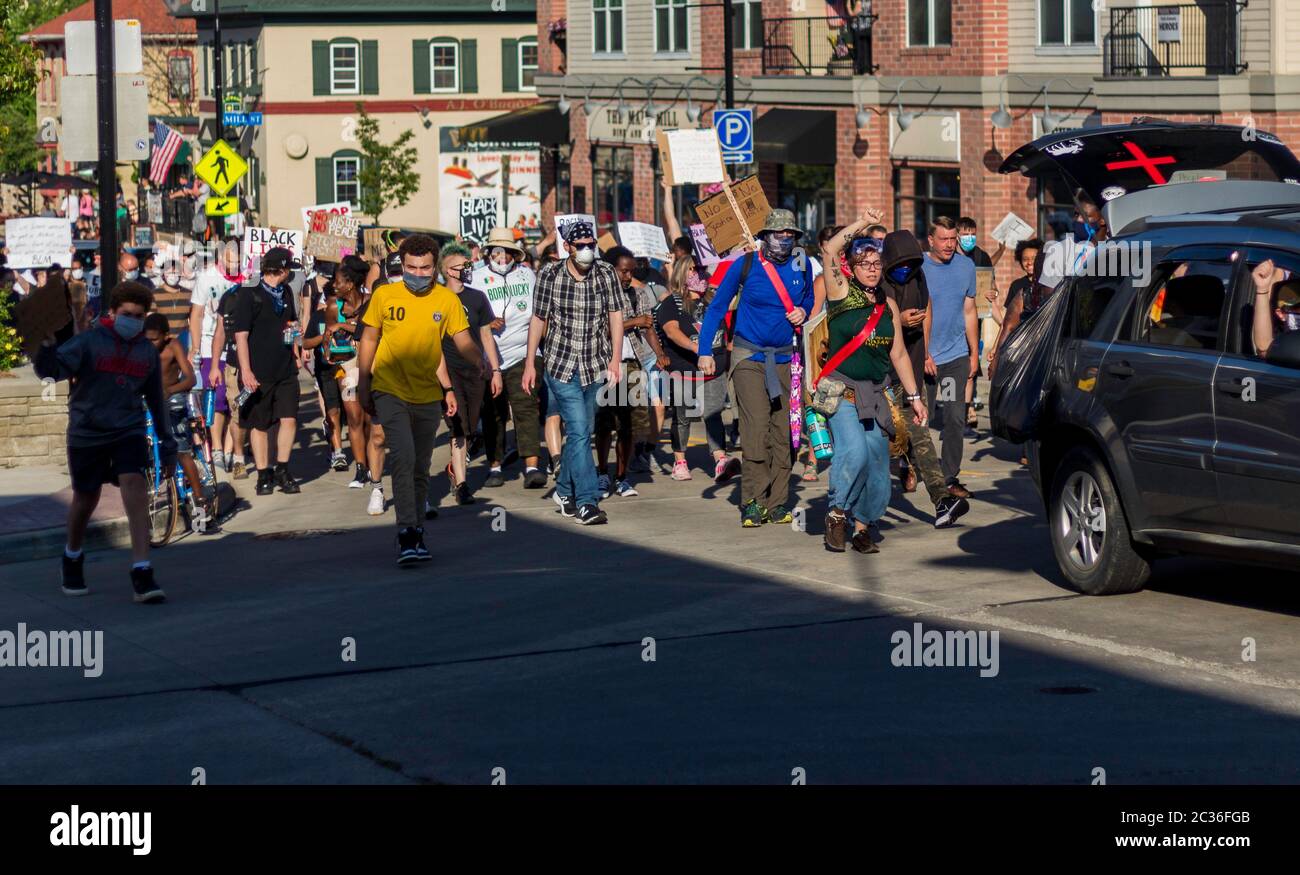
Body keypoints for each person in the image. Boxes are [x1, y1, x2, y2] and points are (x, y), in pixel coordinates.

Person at [34, 282, 173, 604]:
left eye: (139, 316)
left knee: (135, 487)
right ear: (112, 312)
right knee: (86, 499)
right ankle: (72, 556)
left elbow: (156, 399)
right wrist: (46, 344)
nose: (133, 321)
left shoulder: (146, 352)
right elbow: (51, 371)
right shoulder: (88, 342)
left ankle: (142, 569)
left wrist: (167, 439)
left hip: (128, 429)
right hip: (88, 431)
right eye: (127, 314)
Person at [357, 234, 478, 565]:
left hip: (427, 393)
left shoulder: (446, 301)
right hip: (389, 387)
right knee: (404, 457)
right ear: (402, 264)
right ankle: (406, 532)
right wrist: (364, 381)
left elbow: (460, 340)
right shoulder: (385, 295)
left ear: (435, 266)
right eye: (411, 267)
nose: (418, 273)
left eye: (425, 268)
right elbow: (369, 338)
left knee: (422, 465)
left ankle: (417, 530)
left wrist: (478, 362)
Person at [697, 209, 816, 528]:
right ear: (765, 236)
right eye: (779, 234)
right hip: (749, 357)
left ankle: (778, 502)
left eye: (790, 235)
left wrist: (803, 311)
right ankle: (752, 500)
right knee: (756, 427)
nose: (785, 240)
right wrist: (704, 349)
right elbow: (717, 307)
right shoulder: (746, 264)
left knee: (786, 434)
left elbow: (810, 296)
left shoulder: (801, 262)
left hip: (786, 358)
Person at [819, 219, 930, 553]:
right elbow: (828, 249)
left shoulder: (889, 306)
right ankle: (837, 514)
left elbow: (898, 354)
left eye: (876, 264)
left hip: (876, 395)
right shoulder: (840, 293)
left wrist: (914, 397)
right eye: (864, 263)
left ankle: (862, 527)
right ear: (851, 267)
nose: (871, 269)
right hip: (842, 393)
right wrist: (863, 224)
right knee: (854, 452)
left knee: (878, 465)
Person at [522, 221, 624, 526]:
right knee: (579, 430)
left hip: (596, 364)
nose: (587, 250)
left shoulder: (606, 273)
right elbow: (538, 319)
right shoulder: (549, 275)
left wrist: (616, 359)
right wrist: (530, 362)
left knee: (583, 432)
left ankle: (563, 490)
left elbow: (616, 316)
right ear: (567, 247)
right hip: (560, 364)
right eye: (581, 246)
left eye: (591, 244)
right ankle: (586, 501)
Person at [471, 227, 548, 489]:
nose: (502, 257)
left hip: (524, 354)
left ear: (516, 254)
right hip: (490, 357)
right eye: (497, 251)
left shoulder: (529, 276)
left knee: (526, 406)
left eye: (508, 252)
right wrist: (486, 323)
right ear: (489, 253)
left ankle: (532, 466)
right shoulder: (477, 278)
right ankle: (494, 465)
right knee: (494, 412)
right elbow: (468, 316)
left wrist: (535, 351)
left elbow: (540, 313)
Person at [654, 253, 741, 483]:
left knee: (713, 414)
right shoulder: (671, 303)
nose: (700, 273)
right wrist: (698, 348)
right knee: (682, 416)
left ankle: (720, 460)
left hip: (714, 368)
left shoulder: (714, 299)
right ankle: (680, 461)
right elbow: (672, 331)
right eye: (695, 269)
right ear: (684, 272)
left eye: (702, 269)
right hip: (684, 368)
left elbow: (738, 301)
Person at [596, 246, 668, 499]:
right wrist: (632, 322)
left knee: (630, 426)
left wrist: (659, 354)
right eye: (623, 271)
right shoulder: (598, 294)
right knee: (605, 424)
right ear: (609, 270)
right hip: (606, 366)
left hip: (634, 363)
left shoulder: (639, 294)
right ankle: (603, 473)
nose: (627, 276)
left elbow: (649, 327)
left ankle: (622, 477)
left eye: (631, 272)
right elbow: (600, 331)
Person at [231, 247, 303, 496]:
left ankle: (282, 468)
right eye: (288, 270)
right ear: (280, 270)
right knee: (259, 424)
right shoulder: (249, 294)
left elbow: (291, 323)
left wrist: (296, 350)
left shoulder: (287, 292)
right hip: (258, 372)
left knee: (289, 418)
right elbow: (241, 336)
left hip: (285, 369)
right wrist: (246, 371)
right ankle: (263, 474)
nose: (290, 275)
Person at [438, 243, 502, 505]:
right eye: (463, 266)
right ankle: (462, 484)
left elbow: (486, 335)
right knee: (458, 426)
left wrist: (495, 370)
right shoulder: (437, 297)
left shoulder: (477, 298)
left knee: (471, 424)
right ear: (449, 271)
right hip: (448, 370)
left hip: (475, 370)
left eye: (469, 265)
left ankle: (455, 468)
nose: (468, 270)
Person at [920, 216, 979, 500]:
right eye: (943, 239)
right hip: (924, 359)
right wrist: (924, 353)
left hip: (954, 358)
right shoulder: (918, 267)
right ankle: (910, 465)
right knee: (922, 418)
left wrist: (974, 353)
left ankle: (949, 477)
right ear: (930, 240)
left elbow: (969, 311)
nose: (949, 244)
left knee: (955, 417)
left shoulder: (966, 266)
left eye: (953, 239)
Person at [143, 313, 219, 532]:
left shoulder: (174, 346)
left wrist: (170, 390)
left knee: (181, 449)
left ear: (166, 336)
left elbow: (190, 378)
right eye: (147, 339)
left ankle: (199, 499)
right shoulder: (142, 348)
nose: (150, 343)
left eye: (155, 339)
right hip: (150, 398)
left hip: (173, 395)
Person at [195, 241, 245, 477]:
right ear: (221, 259)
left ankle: (227, 448)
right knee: (215, 397)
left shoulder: (246, 278)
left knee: (232, 399)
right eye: (230, 261)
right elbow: (195, 314)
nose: (234, 265)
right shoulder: (206, 277)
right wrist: (194, 348)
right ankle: (216, 447)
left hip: (236, 345)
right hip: (209, 344)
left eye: (237, 261)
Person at [1250, 259, 1300, 357]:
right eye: (1297, 307)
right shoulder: (1284, 342)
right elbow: (1264, 348)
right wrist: (1262, 289)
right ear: (1280, 313)